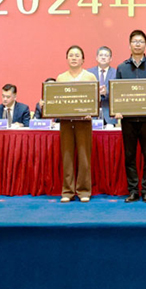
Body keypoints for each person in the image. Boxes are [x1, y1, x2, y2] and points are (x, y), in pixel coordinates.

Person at [115, 30, 146, 203]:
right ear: (129, 45)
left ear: (145, 45)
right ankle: (133, 191)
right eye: (134, 41)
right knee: (129, 156)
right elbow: (117, 93)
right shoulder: (121, 67)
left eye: (141, 41)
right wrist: (117, 109)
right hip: (128, 120)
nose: (137, 44)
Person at [56, 46, 97, 203]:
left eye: (77, 55)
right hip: (66, 122)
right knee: (67, 156)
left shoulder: (90, 77)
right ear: (67, 59)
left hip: (84, 122)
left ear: (83, 60)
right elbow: (57, 100)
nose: (74, 58)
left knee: (84, 156)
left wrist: (91, 111)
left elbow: (95, 100)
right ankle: (67, 191)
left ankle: (84, 190)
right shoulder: (61, 78)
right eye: (71, 55)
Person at [87, 46, 118, 126]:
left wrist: (107, 93)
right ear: (96, 58)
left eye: (106, 55)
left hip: (110, 115)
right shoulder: (88, 73)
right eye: (101, 55)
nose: (103, 57)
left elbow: (119, 94)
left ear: (111, 59)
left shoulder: (116, 73)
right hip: (92, 115)